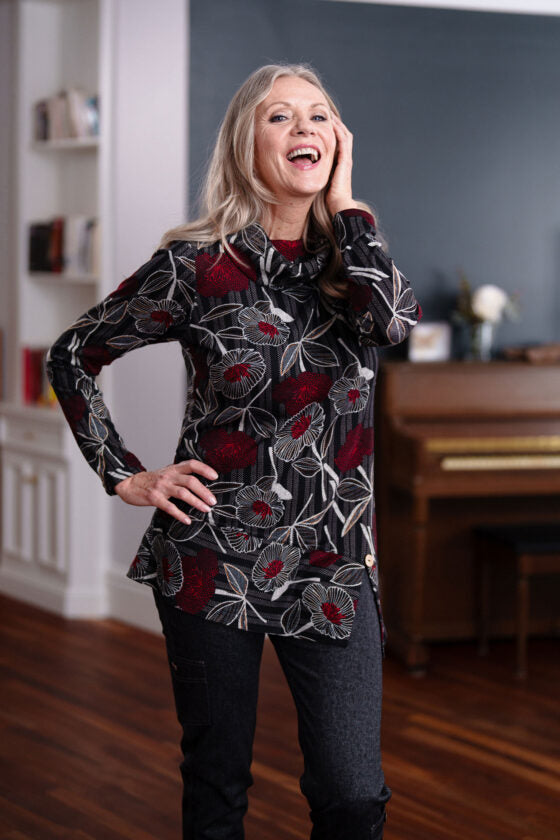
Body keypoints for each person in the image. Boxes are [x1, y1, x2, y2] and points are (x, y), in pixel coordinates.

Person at [46, 62, 422, 840]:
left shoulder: (360, 261)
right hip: (214, 550)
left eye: (320, 116)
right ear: (245, 140)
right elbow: (72, 353)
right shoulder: (196, 265)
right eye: (281, 117)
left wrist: (350, 205)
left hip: (334, 559)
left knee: (353, 794)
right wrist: (126, 475)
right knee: (217, 782)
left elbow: (389, 327)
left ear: (339, 142)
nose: (305, 129)